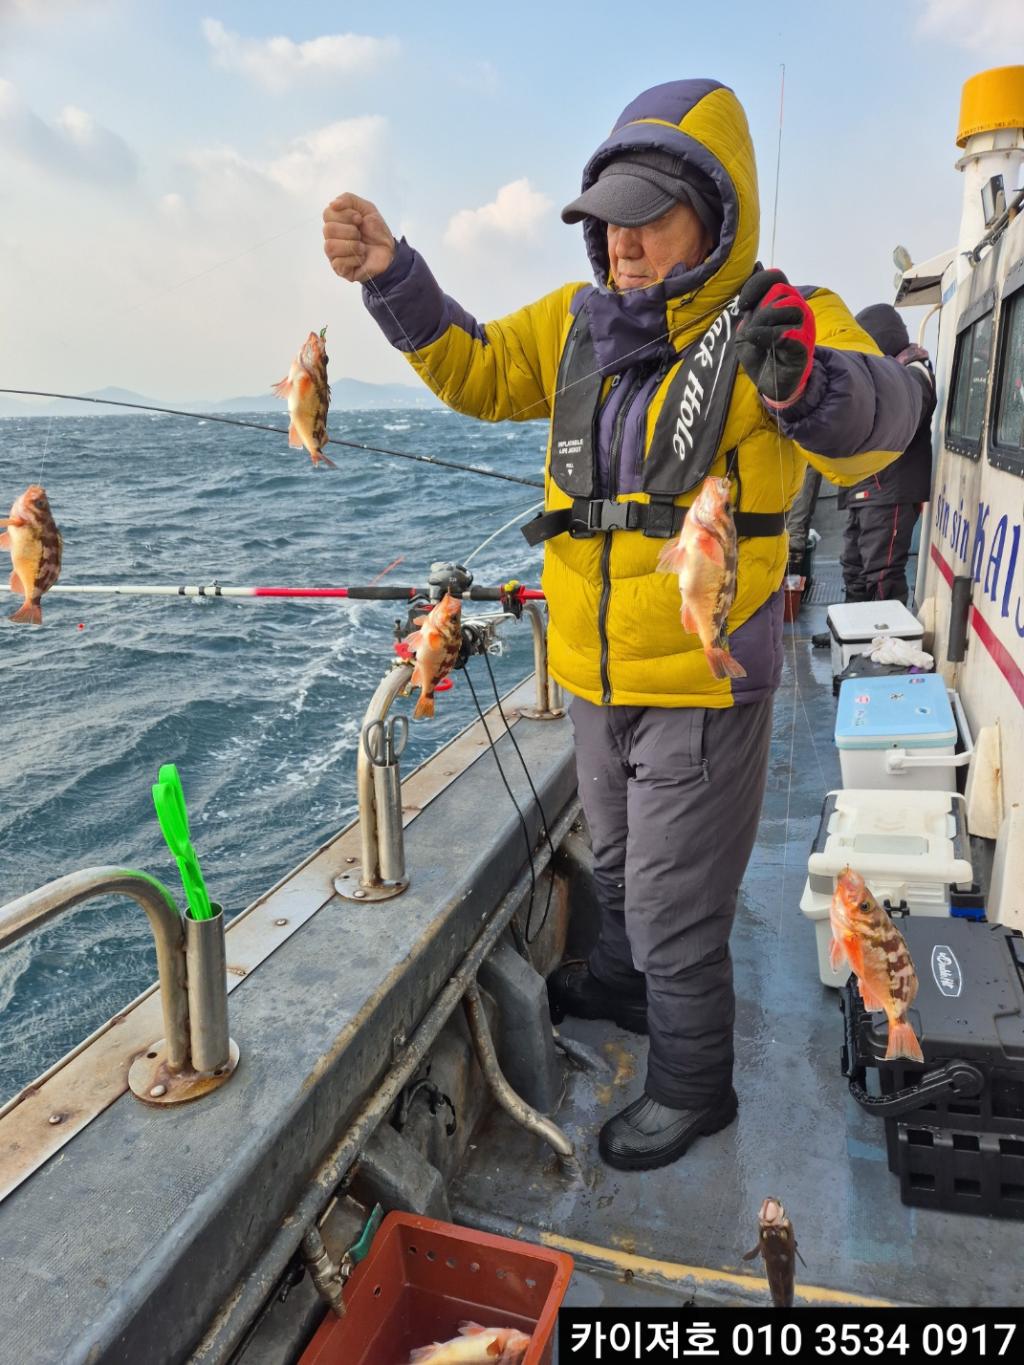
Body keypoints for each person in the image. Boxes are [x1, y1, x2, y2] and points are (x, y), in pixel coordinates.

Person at [323, 79, 927, 1172]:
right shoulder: (573, 326)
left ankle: (697, 1088)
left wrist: (805, 384)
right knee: (612, 860)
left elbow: (879, 421)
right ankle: (618, 983)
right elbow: (471, 363)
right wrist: (390, 277)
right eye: (607, 217)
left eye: (648, 216)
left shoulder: (783, 315)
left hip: (704, 677)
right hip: (594, 670)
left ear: (717, 214)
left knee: (672, 897)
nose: (623, 243)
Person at [837, 304, 936, 604]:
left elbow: (900, 419)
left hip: (888, 489)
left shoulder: (914, 373)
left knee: (882, 575)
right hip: (865, 489)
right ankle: (854, 638)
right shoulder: (890, 374)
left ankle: (886, 647)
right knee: (853, 568)